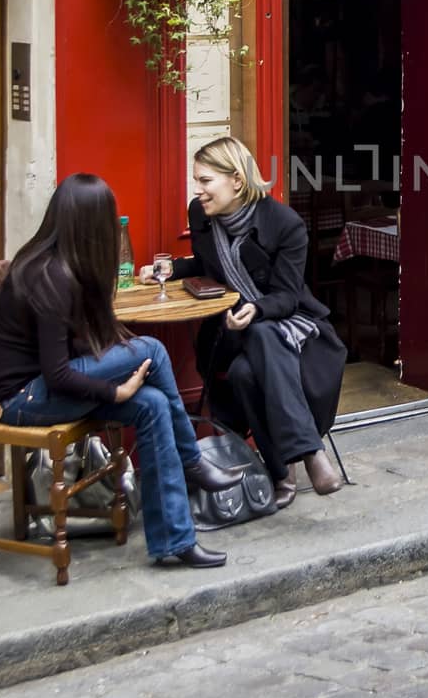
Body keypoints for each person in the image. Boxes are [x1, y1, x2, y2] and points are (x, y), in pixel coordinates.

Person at [0, 173, 244, 570]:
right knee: (153, 350)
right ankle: (193, 462)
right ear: (90, 225)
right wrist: (114, 394)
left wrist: (117, 380)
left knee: (154, 404)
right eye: (109, 218)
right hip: (24, 399)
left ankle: (174, 540)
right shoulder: (48, 275)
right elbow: (57, 374)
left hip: (48, 389)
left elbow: (79, 350)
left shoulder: (66, 266)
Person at [148, 136, 347, 511]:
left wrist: (255, 310)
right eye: (197, 181)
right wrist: (173, 269)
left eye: (206, 181)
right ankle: (309, 453)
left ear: (236, 181)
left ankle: (280, 472)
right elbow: (209, 266)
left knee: (245, 372)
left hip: (291, 326)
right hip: (228, 333)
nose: (199, 190)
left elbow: (288, 297)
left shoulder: (285, 224)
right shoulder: (201, 214)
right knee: (255, 340)